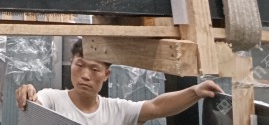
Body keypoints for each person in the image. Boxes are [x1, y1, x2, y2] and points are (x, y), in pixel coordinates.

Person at [16, 39, 223, 125]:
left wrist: (195, 92)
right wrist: (28, 94)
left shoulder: (116, 110)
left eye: (94, 69)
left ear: (106, 74)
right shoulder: (52, 99)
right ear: (71, 64)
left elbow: (156, 107)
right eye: (79, 65)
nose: (85, 75)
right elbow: (36, 103)